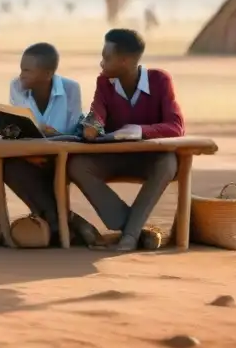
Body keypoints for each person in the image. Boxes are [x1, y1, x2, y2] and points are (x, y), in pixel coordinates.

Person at [69, 28, 185, 252]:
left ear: (124, 61)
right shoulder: (104, 83)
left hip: (149, 159)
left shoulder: (160, 80)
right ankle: (135, 229)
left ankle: (129, 237)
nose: (101, 64)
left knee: (168, 163)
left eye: (106, 58)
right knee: (77, 165)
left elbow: (176, 126)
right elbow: (98, 113)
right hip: (115, 157)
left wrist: (140, 131)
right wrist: (92, 126)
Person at [1, 43, 100, 246]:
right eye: (21, 69)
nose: (21, 75)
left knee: (48, 170)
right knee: (7, 166)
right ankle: (65, 221)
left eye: (27, 70)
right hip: (29, 154)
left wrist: (51, 135)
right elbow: (17, 126)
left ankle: (54, 224)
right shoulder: (16, 86)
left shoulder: (71, 89)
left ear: (47, 74)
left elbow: (72, 131)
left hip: (63, 154)